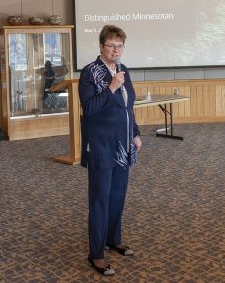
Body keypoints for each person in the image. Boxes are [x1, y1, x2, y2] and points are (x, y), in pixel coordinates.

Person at [78, 24, 142, 276]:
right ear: (101, 47)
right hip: (102, 146)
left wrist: (135, 133)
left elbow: (128, 107)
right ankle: (96, 254)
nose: (116, 50)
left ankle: (112, 239)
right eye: (111, 46)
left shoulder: (123, 69)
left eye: (120, 46)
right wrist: (111, 87)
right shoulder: (90, 73)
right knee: (100, 199)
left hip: (123, 145)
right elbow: (90, 108)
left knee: (117, 195)